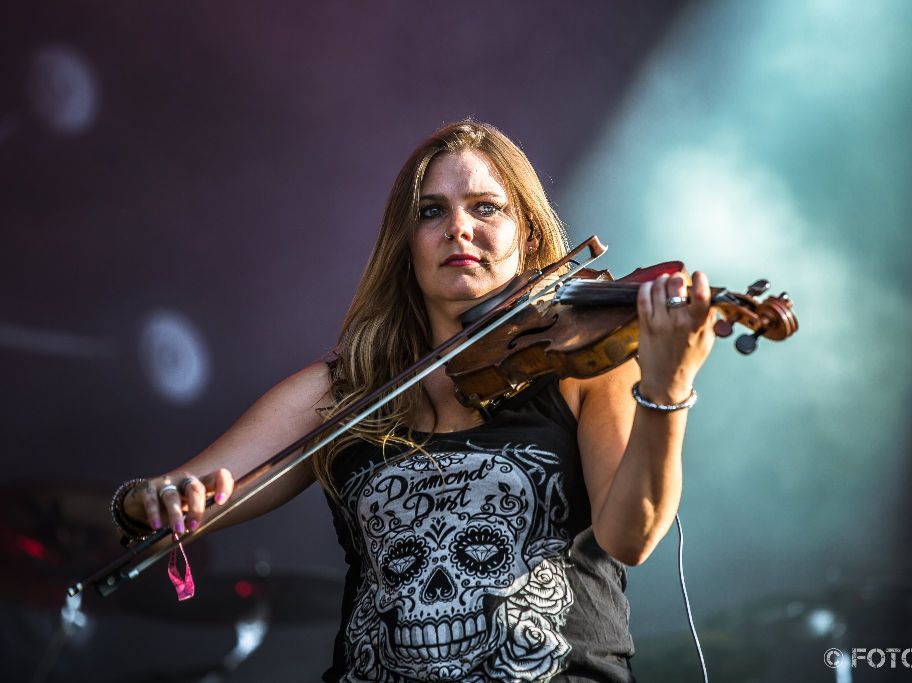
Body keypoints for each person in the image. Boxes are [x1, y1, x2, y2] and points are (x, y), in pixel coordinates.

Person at [110, 120, 716, 682]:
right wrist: (147, 502)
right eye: (433, 212)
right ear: (407, 241)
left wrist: (666, 389)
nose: (459, 228)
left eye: (486, 208)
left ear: (527, 234)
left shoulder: (586, 369)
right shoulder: (343, 390)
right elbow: (173, 504)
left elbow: (630, 538)